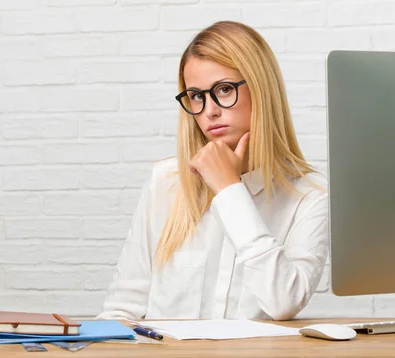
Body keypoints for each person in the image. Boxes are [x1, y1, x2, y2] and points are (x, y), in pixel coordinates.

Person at [96, 21, 328, 321]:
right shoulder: (167, 181)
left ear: (261, 89)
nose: (209, 110)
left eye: (224, 89)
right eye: (196, 95)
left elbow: (284, 302)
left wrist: (230, 190)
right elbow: (123, 308)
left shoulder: (308, 194)